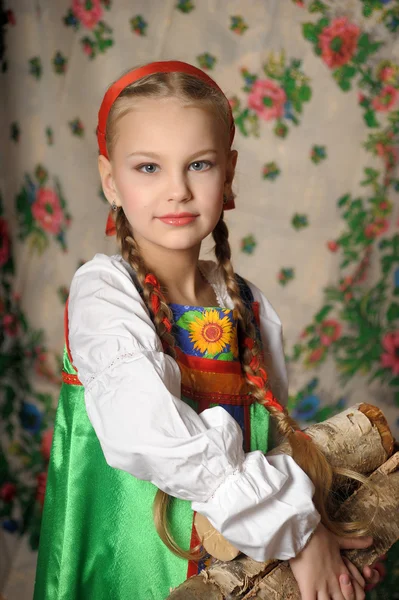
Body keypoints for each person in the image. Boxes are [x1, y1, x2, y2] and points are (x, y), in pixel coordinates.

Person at [34, 61, 380, 600]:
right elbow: (145, 431)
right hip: (129, 568)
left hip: (237, 565)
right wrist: (296, 534)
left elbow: (272, 443)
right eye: (148, 167)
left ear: (229, 172)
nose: (177, 190)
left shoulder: (247, 304)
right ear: (110, 181)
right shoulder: (104, 293)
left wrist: (322, 545)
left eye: (198, 164)